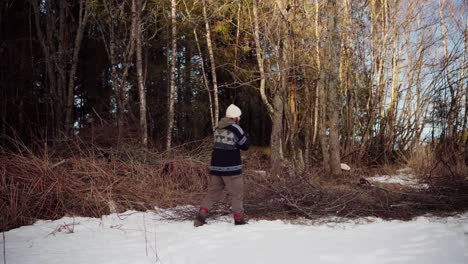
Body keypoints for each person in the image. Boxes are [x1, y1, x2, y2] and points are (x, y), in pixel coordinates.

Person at [194, 104, 250, 227]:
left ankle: (201, 216)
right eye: (239, 117)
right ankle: (239, 219)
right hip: (231, 168)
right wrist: (246, 136)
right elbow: (245, 146)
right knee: (236, 193)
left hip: (215, 167)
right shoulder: (236, 128)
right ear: (235, 117)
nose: (239, 119)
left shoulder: (217, 128)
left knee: (212, 193)